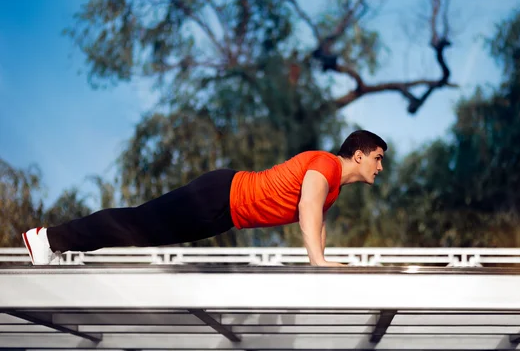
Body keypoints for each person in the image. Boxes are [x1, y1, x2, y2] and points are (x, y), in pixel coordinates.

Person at [22, 130, 386, 266]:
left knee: (141, 235)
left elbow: (317, 221)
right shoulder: (324, 164)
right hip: (220, 195)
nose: (380, 167)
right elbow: (307, 208)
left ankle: (59, 246)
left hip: (224, 214)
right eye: (378, 158)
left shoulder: (332, 188)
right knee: (137, 221)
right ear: (359, 154)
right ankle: (49, 238)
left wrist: (319, 261)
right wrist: (319, 263)